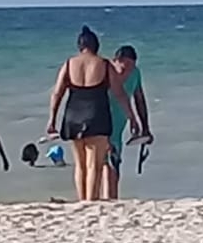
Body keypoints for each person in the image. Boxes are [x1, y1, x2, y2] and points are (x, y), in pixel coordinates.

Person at [48, 26, 137, 202]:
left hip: (73, 116)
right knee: (94, 166)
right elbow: (120, 94)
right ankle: (91, 202)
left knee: (80, 165)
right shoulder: (104, 64)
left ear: (80, 46)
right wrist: (132, 118)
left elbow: (57, 93)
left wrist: (52, 120)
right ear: (97, 46)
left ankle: (82, 201)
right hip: (97, 116)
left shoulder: (69, 64)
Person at [103, 44, 153, 200]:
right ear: (115, 61)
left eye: (131, 68)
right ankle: (103, 200)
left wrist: (145, 128)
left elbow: (139, 99)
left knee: (115, 164)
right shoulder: (105, 74)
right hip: (101, 125)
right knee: (106, 164)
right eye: (124, 69)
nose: (127, 73)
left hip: (118, 128)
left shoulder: (135, 74)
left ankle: (111, 199)